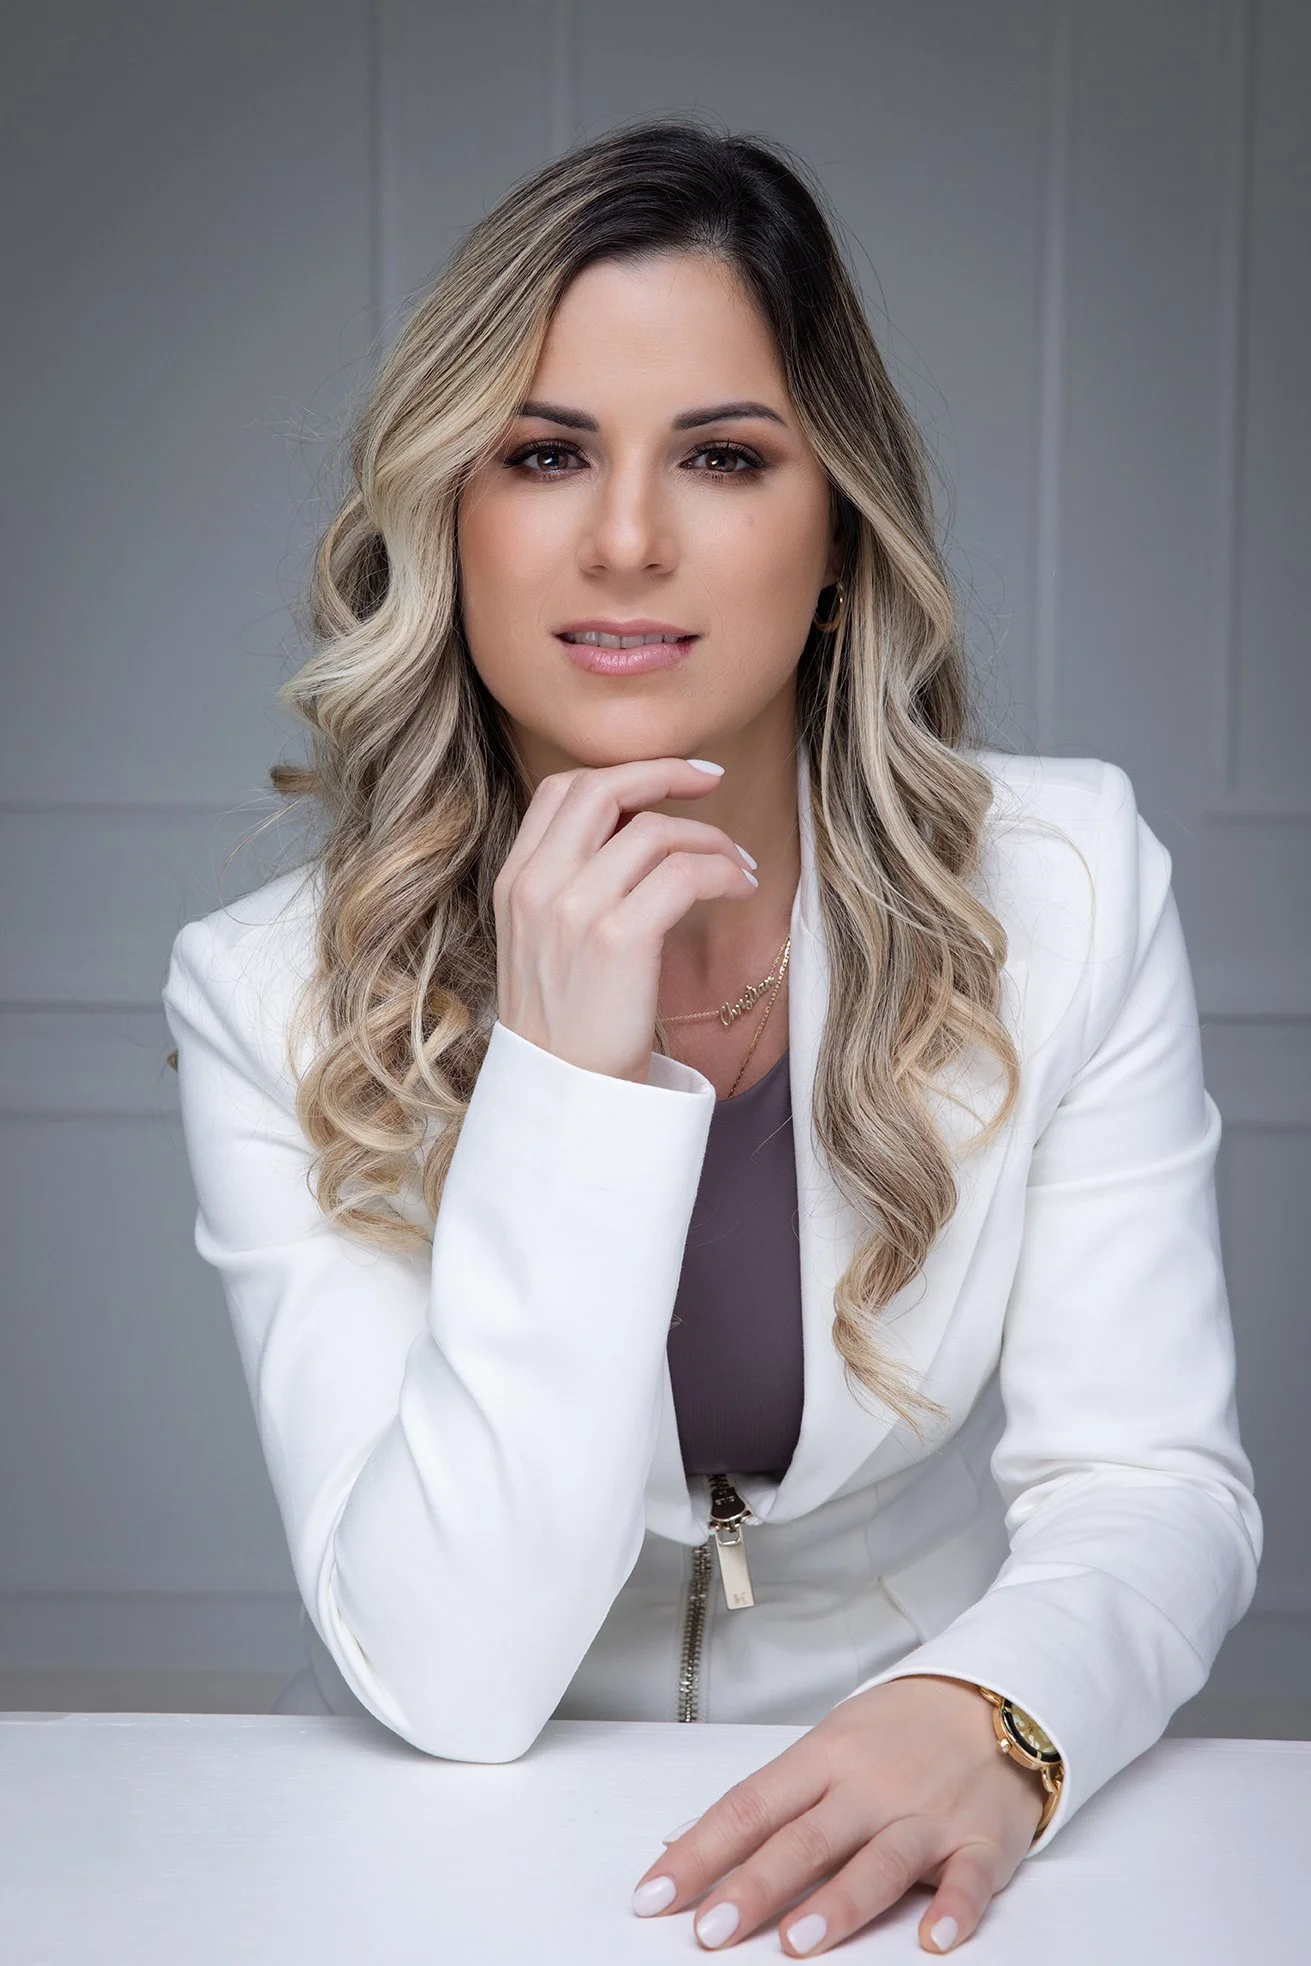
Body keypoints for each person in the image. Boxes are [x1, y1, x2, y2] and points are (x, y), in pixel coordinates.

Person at [161, 120, 1260, 1957]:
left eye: (724, 456)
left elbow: (1148, 1484)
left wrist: (993, 1712)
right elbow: (452, 1676)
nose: (624, 539)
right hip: (449, 1841)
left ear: (836, 534)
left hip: (923, 1808)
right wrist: (565, 1080)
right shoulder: (268, 991)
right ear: (449, 519)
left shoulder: (1064, 884)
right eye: (544, 454)